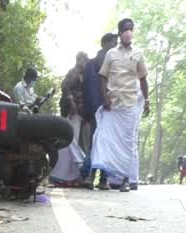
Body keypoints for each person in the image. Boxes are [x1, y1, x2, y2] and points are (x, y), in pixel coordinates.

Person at [90, 18, 150, 192]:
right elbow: (103, 77)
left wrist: (146, 101)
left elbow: (143, 79)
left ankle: (124, 180)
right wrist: (105, 97)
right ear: (119, 33)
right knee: (102, 138)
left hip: (130, 105)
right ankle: (101, 179)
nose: (128, 32)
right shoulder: (111, 54)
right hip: (112, 104)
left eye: (131, 29)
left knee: (127, 144)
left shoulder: (138, 53)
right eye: (125, 29)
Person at [82, 33, 118, 190]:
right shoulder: (100, 62)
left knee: (98, 142)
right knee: (100, 143)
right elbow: (90, 88)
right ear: (105, 43)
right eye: (113, 42)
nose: (115, 45)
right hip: (103, 108)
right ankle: (95, 178)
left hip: (103, 108)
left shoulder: (96, 62)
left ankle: (95, 178)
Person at [52, 53, 89, 186]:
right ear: (78, 60)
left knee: (68, 143)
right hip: (71, 110)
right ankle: (80, 165)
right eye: (83, 60)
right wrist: (72, 102)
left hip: (79, 111)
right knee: (69, 139)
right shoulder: (73, 73)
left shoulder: (83, 75)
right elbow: (65, 87)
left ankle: (67, 176)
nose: (84, 62)